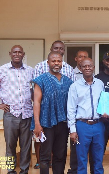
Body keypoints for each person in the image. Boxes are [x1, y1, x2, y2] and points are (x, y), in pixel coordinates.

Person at [0, 45, 34, 174]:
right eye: (14, 52)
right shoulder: (2, 70)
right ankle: (11, 171)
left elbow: (36, 87)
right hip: (10, 115)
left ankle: (24, 170)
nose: (17, 54)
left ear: (23, 54)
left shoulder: (30, 71)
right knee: (10, 145)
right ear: (10, 54)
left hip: (27, 114)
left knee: (26, 146)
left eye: (19, 52)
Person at [33, 40, 76, 170]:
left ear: (62, 63)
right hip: (46, 123)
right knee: (45, 156)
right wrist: (37, 123)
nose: (56, 63)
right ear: (48, 63)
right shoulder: (40, 80)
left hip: (62, 124)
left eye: (59, 61)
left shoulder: (68, 81)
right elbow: (36, 102)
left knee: (60, 155)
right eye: (53, 61)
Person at [67, 58, 105, 174]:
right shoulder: (75, 86)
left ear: (93, 67)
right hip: (82, 126)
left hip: (98, 125)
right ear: (81, 68)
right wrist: (72, 130)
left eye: (90, 66)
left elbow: (103, 103)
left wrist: (106, 112)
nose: (87, 68)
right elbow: (71, 109)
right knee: (81, 158)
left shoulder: (100, 83)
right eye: (84, 66)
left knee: (98, 158)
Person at [68, 50, 89, 174]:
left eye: (85, 57)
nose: (82, 59)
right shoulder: (71, 73)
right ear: (76, 59)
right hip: (75, 115)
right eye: (80, 57)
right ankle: (74, 170)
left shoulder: (93, 76)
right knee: (75, 146)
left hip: (88, 116)